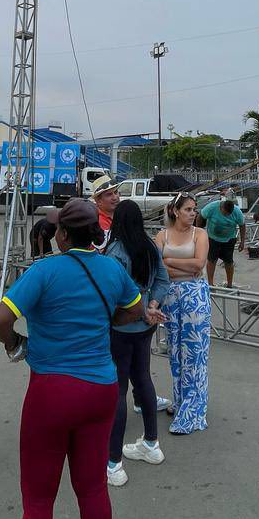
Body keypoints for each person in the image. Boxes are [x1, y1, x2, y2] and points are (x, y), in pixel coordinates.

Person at [0, 199, 142, 519]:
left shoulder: (44, 271)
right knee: (93, 489)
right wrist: (106, 321)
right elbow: (134, 310)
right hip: (101, 389)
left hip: (51, 392)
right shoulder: (112, 269)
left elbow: (0, 319)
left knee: (39, 501)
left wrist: (16, 343)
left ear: (62, 235)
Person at [102, 199, 171, 487]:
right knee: (143, 378)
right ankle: (151, 444)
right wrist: (152, 305)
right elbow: (163, 280)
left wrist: (141, 309)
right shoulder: (150, 245)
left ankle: (113, 463)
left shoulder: (115, 252)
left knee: (118, 390)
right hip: (146, 325)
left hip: (122, 326)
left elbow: (113, 292)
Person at [155, 193, 210, 434]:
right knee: (176, 351)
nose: (193, 213)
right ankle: (180, 401)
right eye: (188, 209)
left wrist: (169, 260)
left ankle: (192, 408)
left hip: (195, 298)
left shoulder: (200, 234)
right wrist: (178, 267)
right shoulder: (162, 235)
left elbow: (199, 265)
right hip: (171, 297)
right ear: (175, 211)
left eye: (194, 209)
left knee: (195, 351)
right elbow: (159, 268)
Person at [198, 190, 246, 287]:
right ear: (222, 207)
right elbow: (200, 216)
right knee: (212, 260)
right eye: (225, 214)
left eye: (229, 214)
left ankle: (229, 284)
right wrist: (198, 233)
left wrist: (242, 242)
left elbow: (242, 225)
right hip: (213, 238)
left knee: (229, 262)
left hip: (229, 239)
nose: (227, 216)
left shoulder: (237, 212)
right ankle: (210, 284)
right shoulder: (212, 207)